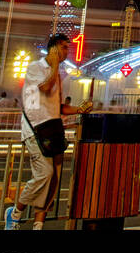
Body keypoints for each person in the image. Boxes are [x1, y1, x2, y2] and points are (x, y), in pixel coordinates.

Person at [5, 34, 91, 232]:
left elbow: (58, 106)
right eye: (62, 47)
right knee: (45, 174)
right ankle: (15, 212)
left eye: (67, 48)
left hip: (53, 130)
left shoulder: (57, 74)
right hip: (36, 129)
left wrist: (79, 109)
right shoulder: (36, 67)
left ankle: (38, 224)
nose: (66, 52)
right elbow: (44, 88)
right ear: (52, 49)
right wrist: (53, 68)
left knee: (53, 181)